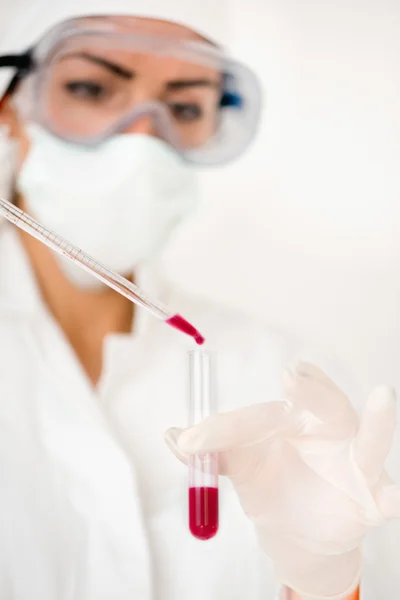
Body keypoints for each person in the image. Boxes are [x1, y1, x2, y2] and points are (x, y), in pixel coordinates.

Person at [0, 1, 398, 599]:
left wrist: (325, 582)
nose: (141, 140)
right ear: (11, 108)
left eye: (182, 107)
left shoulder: (288, 382)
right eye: (90, 87)